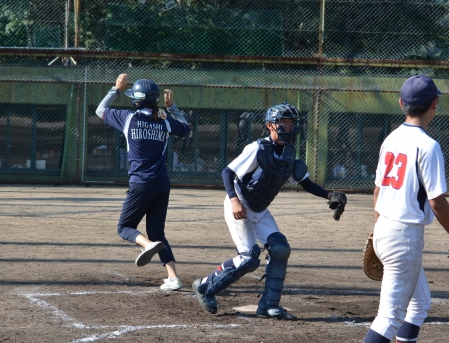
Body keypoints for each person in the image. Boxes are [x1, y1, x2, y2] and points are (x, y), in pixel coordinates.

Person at [344, 75, 449, 343]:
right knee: (391, 314)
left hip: (385, 226)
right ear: (434, 104)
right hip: (405, 236)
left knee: (419, 302)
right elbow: (436, 201)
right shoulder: (428, 146)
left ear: (401, 104)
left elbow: (378, 190)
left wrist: (382, 227)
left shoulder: (391, 138)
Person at [192, 102, 347, 319]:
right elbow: (227, 172)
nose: (288, 127)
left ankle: (268, 305)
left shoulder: (289, 155)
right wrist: (234, 200)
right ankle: (205, 286)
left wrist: (330, 195)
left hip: (260, 210)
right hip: (240, 205)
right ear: (270, 125)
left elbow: (306, 183)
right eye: (283, 122)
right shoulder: (257, 148)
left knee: (280, 249)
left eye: (291, 122)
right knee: (249, 259)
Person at [96, 73, 190, 291]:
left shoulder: (128, 118)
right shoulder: (164, 121)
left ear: (137, 101)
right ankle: (173, 277)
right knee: (157, 232)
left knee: (124, 227)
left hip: (141, 183)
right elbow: (186, 128)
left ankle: (147, 245)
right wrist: (172, 107)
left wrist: (116, 90)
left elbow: (100, 110)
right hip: (162, 183)